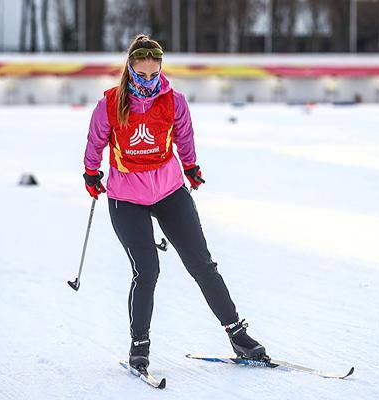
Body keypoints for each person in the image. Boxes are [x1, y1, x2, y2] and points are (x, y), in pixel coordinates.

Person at [83, 34, 267, 373]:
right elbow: (96, 140)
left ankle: (238, 335)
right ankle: (139, 346)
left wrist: (191, 166)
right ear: (130, 71)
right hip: (127, 198)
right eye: (142, 76)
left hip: (169, 191)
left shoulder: (174, 100)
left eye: (154, 76)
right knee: (147, 269)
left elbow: (184, 135)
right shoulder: (109, 103)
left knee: (202, 264)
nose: (148, 83)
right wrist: (91, 173)